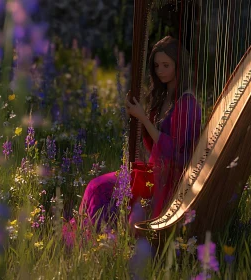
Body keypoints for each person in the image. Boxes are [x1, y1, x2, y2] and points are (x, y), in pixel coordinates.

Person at [76, 36, 202, 235]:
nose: (160, 71)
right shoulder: (161, 98)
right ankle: (95, 241)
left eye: (166, 65)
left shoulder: (188, 103)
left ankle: (109, 241)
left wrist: (143, 118)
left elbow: (171, 149)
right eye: (157, 65)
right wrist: (139, 116)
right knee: (96, 186)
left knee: (107, 192)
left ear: (179, 66)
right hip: (152, 171)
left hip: (171, 178)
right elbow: (152, 145)